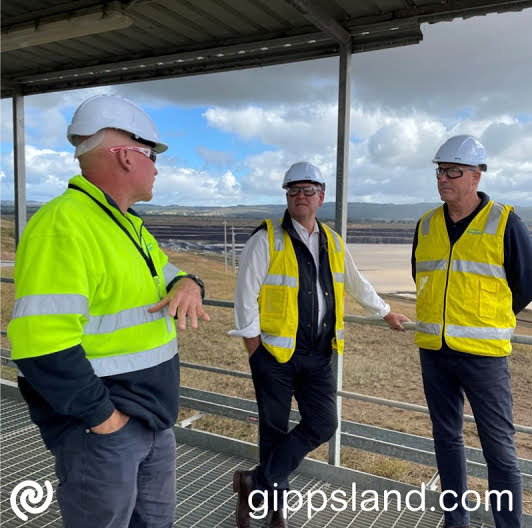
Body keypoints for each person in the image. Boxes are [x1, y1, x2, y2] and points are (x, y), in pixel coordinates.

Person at [7, 94, 210, 528]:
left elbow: (167, 272)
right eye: (152, 154)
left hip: (150, 422)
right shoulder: (65, 225)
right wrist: (105, 422)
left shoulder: (126, 223)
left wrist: (190, 283)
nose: (157, 166)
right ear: (124, 156)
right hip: (102, 430)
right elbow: (40, 345)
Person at [229, 161, 410, 528]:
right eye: (293, 190)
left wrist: (387, 312)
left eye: (308, 190)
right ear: (287, 196)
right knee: (274, 430)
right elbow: (244, 297)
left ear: (321, 197)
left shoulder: (333, 241)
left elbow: (357, 283)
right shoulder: (265, 238)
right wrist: (255, 352)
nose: (300, 196)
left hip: (319, 355)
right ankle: (272, 507)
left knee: (324, 423)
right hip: (275, 356)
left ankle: (257, 483)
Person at [412, 135, 532, 528]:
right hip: (435, 352)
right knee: (447, 440)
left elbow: (524, 284)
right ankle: (455, 521)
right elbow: (423, 278)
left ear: (476, 175)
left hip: (485, 357)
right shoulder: (427, 224)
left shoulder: (505, 222)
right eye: (439, 171)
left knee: (499, 450)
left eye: (452, 171)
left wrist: (487, 318)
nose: (443, 178)